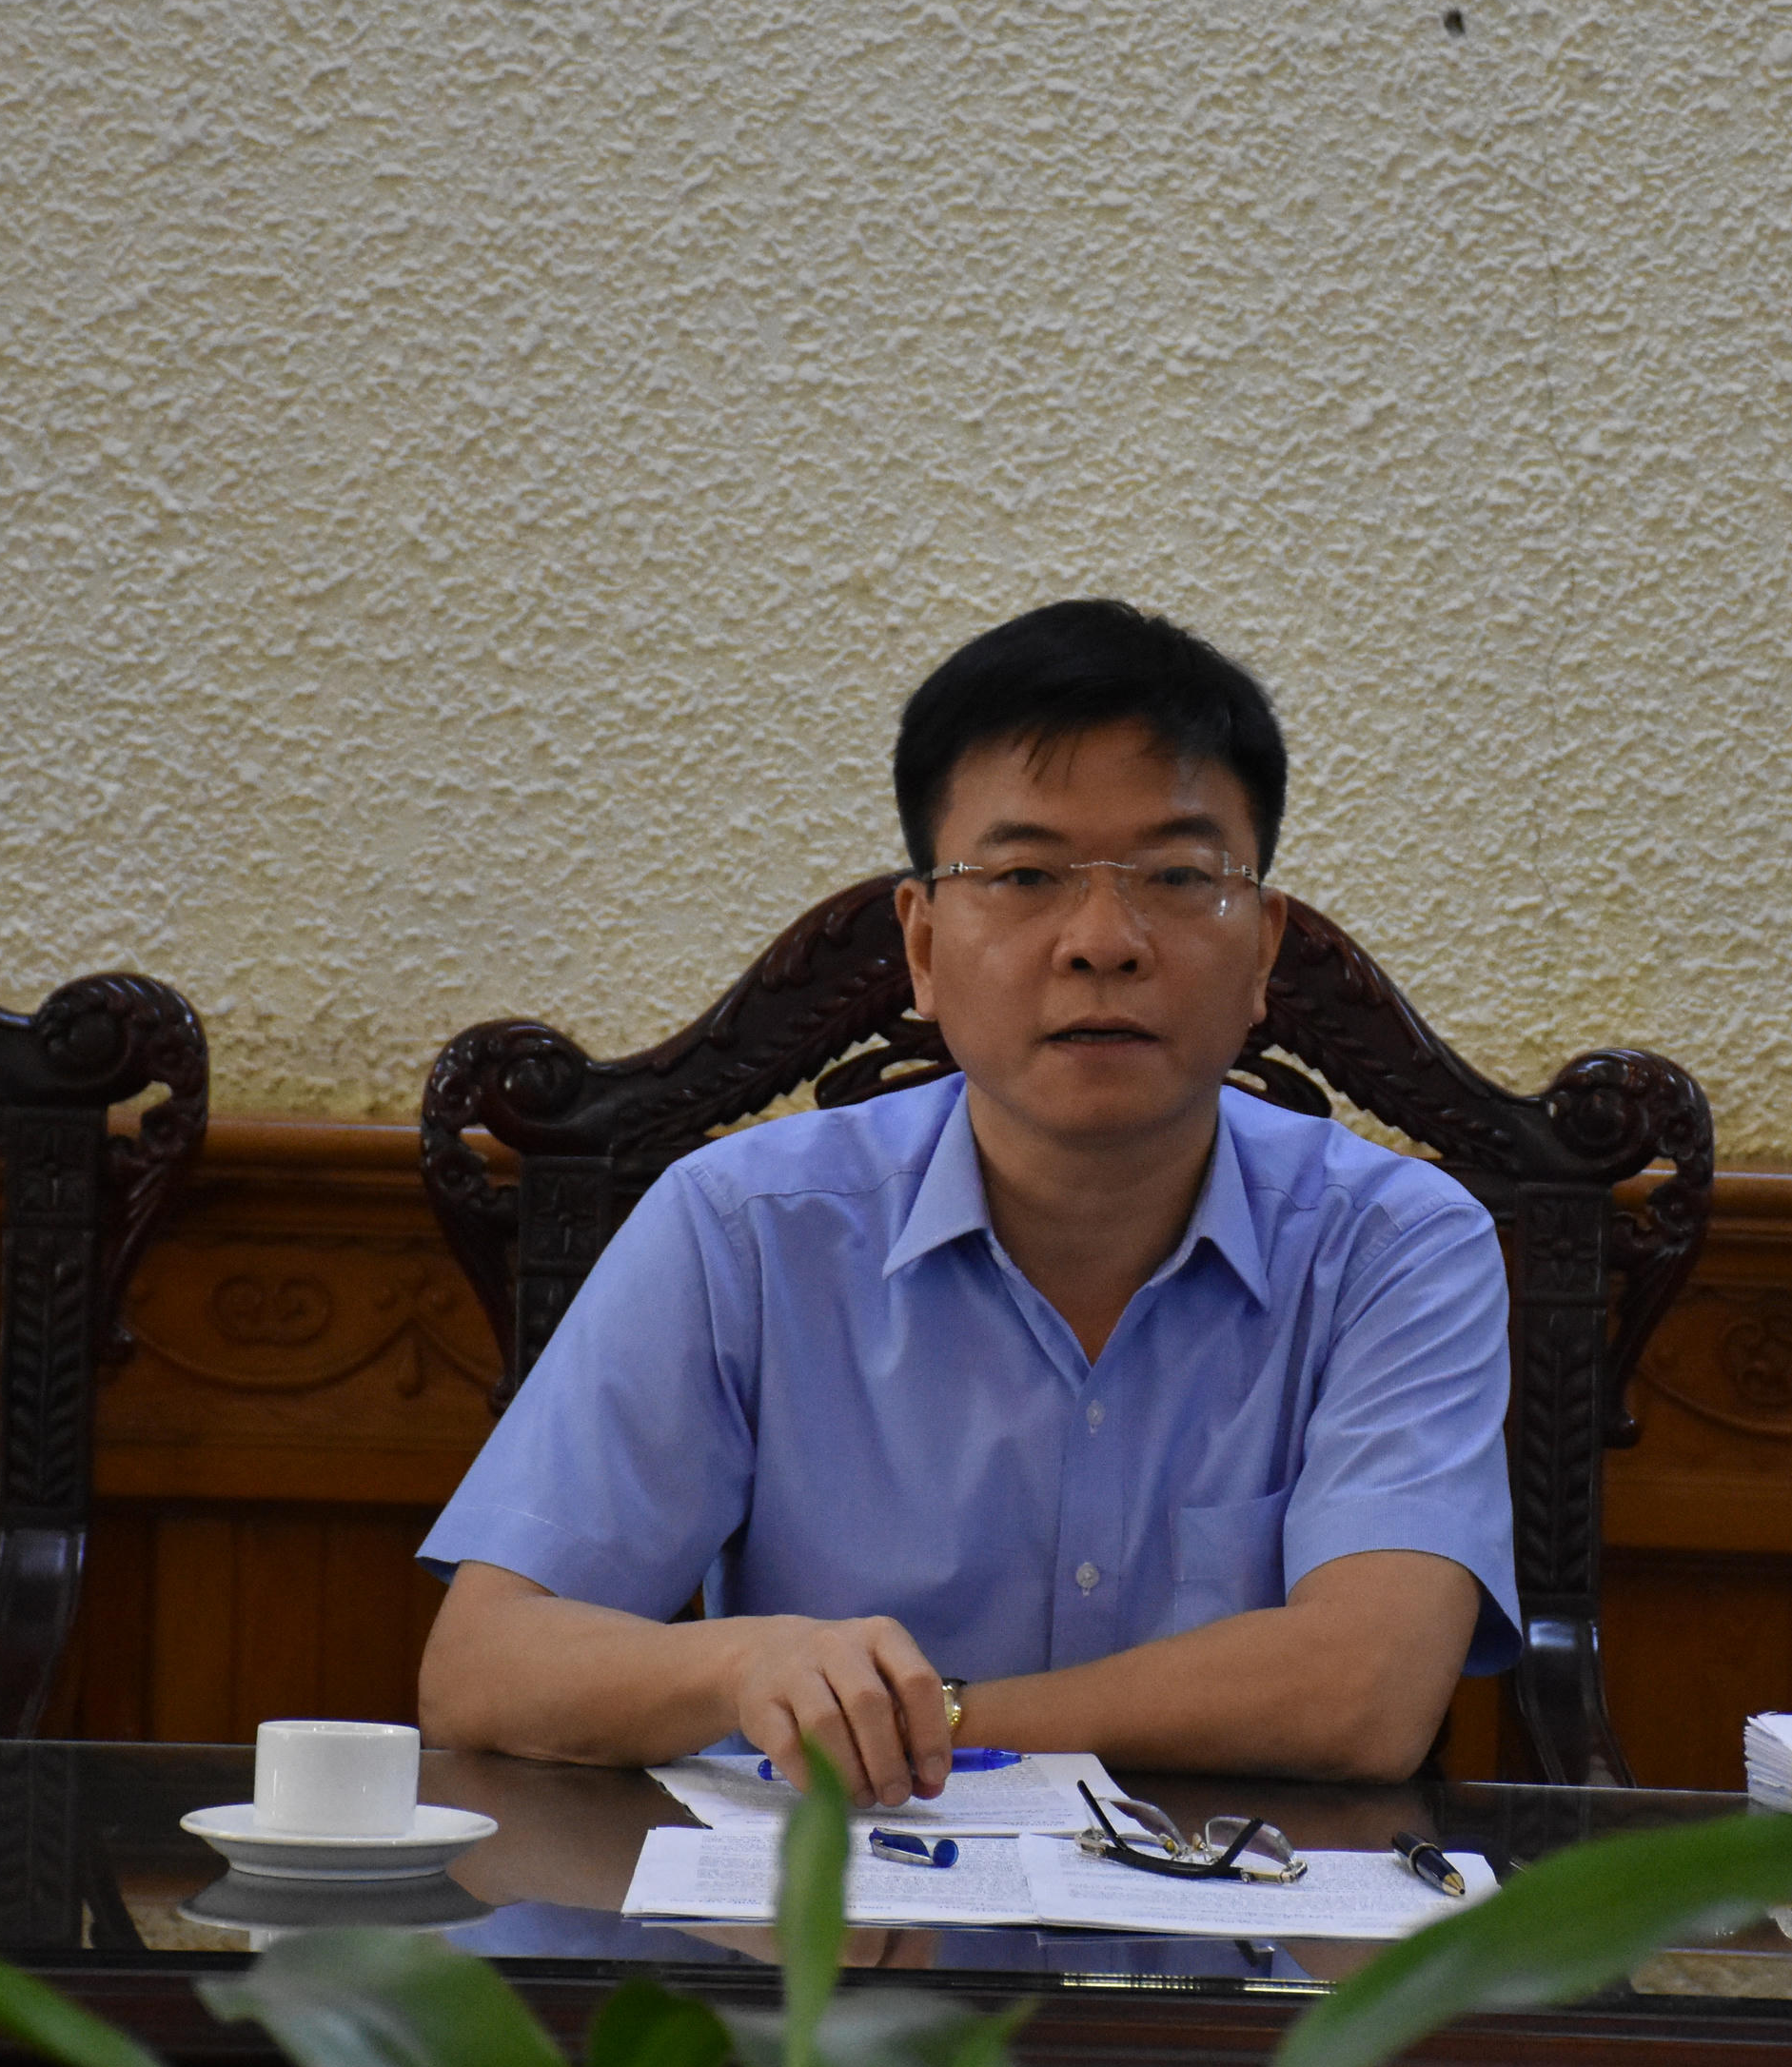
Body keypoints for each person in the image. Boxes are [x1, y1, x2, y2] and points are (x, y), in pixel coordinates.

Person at [414, 600, 1517, 1805]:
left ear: (1262, 950)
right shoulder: (745, 1226)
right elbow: (483, 1668)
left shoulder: (1398, 1245)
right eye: (1026, 875)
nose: (1103, 941)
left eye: (1178, 875)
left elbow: (1367, 1692)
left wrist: (918, 1720)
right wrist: (749, 1667)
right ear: (925, 946)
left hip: (1244, 1914)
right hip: (841, 1914)